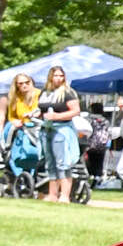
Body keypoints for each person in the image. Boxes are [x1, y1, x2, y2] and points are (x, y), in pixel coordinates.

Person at [36, 66, 81, 202]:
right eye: (56, 75)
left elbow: (75, 111)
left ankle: (65, 195)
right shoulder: (44, 92)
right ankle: (52, 194)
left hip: (61, 130)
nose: (59, 78)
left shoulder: (68, 92)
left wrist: (57, 116)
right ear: (50, 77)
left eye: (61, 76)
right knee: (50, 163)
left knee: (63, 163)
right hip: (46, 129)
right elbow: (41, 110)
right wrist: (35, 115)